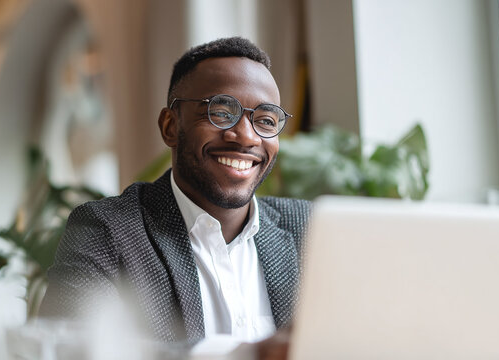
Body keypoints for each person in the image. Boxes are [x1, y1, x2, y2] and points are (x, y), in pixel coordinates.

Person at [39, 37, 311, 359]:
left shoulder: (309, 227)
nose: (247, 136)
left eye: (266, 121)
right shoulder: (109, 230)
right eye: (221, 113)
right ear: (170, 126)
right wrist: (244, 353)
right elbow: (68, 346)